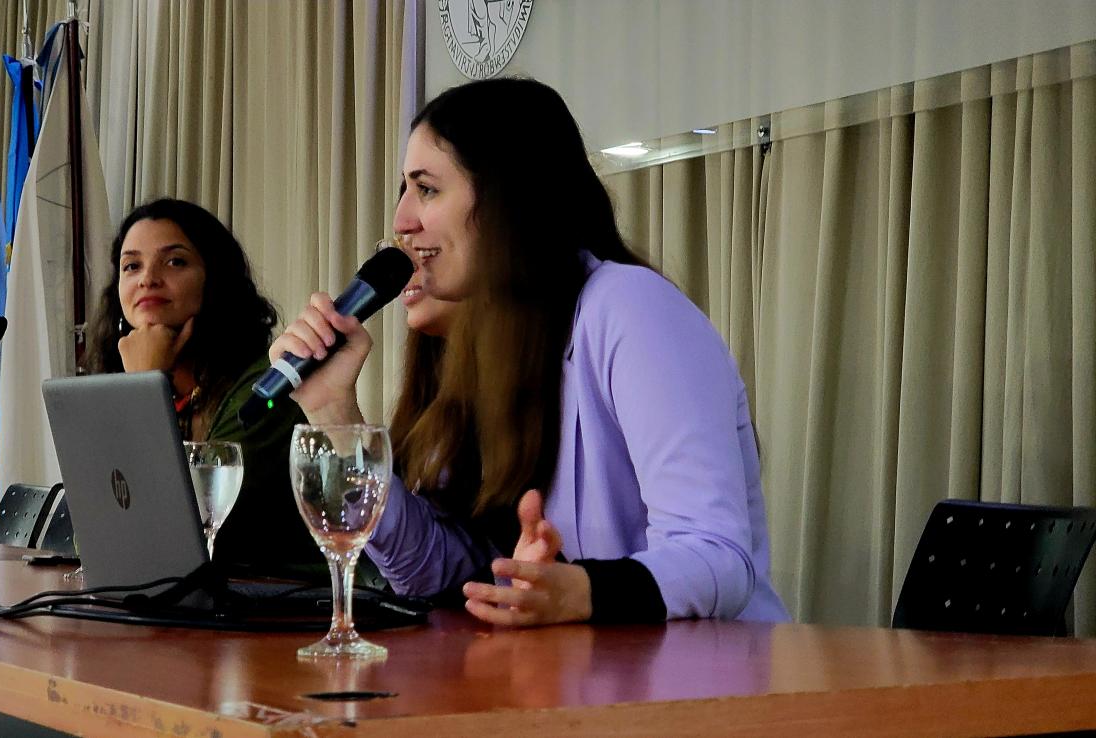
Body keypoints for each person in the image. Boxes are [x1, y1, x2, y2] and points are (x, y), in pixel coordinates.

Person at [271, 78, 789, 626]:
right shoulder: (486, 350)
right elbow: (434, 574)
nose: (401, 220)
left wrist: (578, 591)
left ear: (506, 197)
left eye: (426, 189)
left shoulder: (628, 306)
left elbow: (720, 558)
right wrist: (334, 413)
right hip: (575, 689)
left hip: (710, 689)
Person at [85, 198, 320, 566]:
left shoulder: (268, 387)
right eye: (132, 266)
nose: (148, 278)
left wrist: (146, 383)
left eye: (175, 261)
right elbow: (102, 529)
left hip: (278, 612)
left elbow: (180, 529)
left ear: (215, 281)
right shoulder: (127, 383)